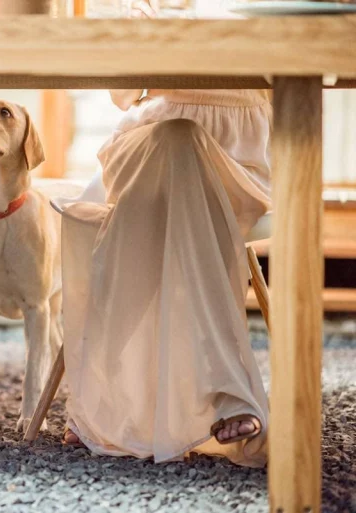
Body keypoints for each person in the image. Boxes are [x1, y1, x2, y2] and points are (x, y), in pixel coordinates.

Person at [58, 6, 271, 467]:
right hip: (147, 141)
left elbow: (288, 64)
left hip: (240, 158)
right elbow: (122, 87)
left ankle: (99, 391)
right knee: (178, 139)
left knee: (180, 154)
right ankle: (229, 390)